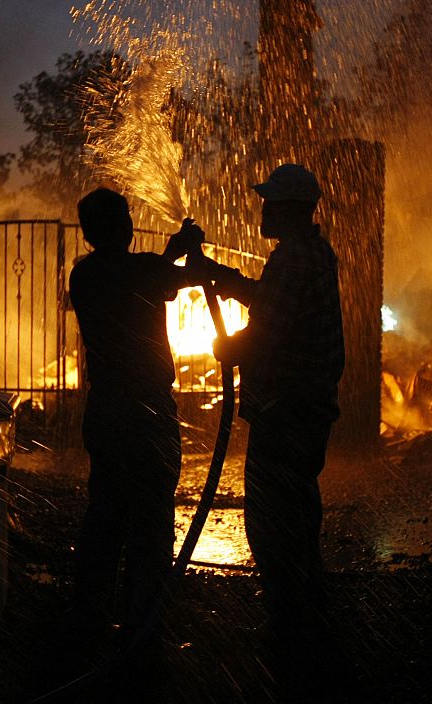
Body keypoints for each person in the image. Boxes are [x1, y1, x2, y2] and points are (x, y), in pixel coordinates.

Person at [208, 163, 345, 702]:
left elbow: (265, 334)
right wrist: (226, 279)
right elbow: (272, 305)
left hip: (287, 410)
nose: (261, 208)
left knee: (272, 520)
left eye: (269, 202)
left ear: (289, 209)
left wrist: (229, 349)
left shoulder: (291, 259)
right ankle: (309, 612)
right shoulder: (312, 254)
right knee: (298, 510)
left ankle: (289, 631)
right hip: (307, 408)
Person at [68, 187, 203, 696]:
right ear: (115, 227)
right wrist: (183, 247)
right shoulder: (125, 271)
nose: (129, 222)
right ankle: (142, 636)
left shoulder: (86, 276)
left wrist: (173, 254)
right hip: (144, 413)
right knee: (149, 525)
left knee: (105, 519)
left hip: (106, 414)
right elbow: (164, 281)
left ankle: (88, 626)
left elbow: (158, 280)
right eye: (124, 216)